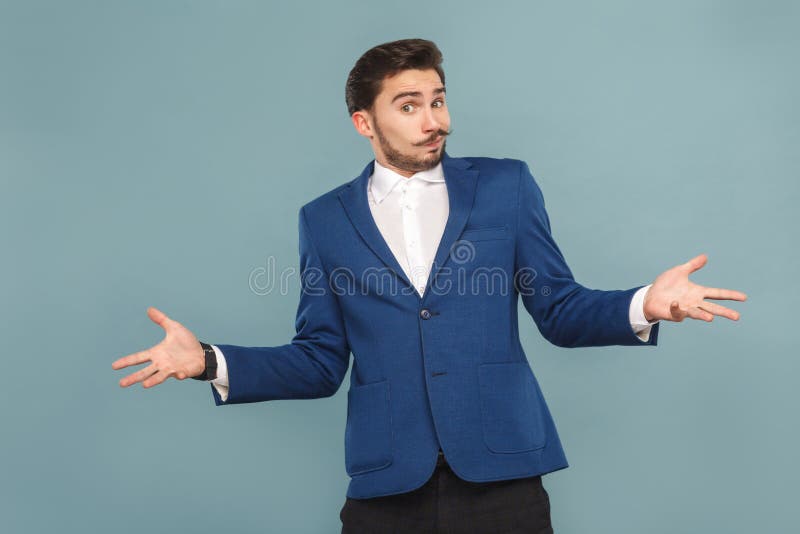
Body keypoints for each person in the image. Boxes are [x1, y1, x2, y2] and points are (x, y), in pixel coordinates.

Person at [112, 38, 747, 533]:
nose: (432, 119)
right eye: (408, 105)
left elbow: (559, 308)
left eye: (437, 100)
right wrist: (206, 362)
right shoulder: (325, 219)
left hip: (503, 474)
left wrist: (647, 304)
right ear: (365, 122)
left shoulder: (506, 185)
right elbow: (318, 361)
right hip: (389, 484)